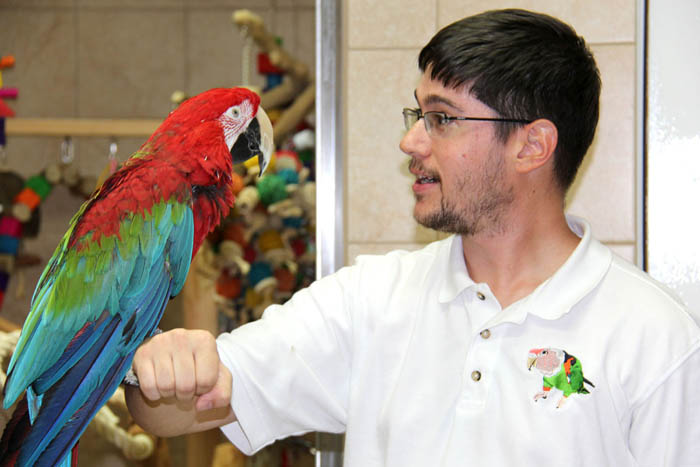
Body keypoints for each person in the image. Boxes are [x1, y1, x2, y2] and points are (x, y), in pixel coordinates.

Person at [126, 9, 700, 466]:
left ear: (532, 145)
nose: (411, 143)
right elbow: (167, 413)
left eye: (442, 119)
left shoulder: (654, 337)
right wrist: (168, 371)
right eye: (417, 114)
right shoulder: (370, 301)